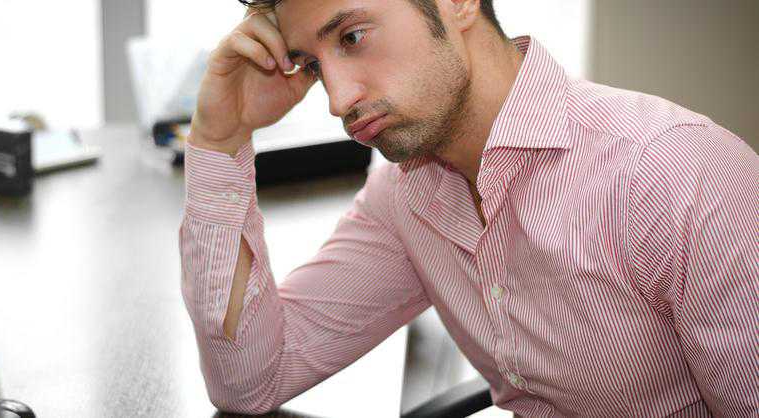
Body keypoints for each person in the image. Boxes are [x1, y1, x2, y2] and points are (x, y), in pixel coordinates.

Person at [178, 0, 759, 415]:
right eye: (311, 64)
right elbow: (250, 379)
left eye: (352, 37)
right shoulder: (406, 192)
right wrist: (219, 136)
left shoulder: (679, 176)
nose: (337, 99)